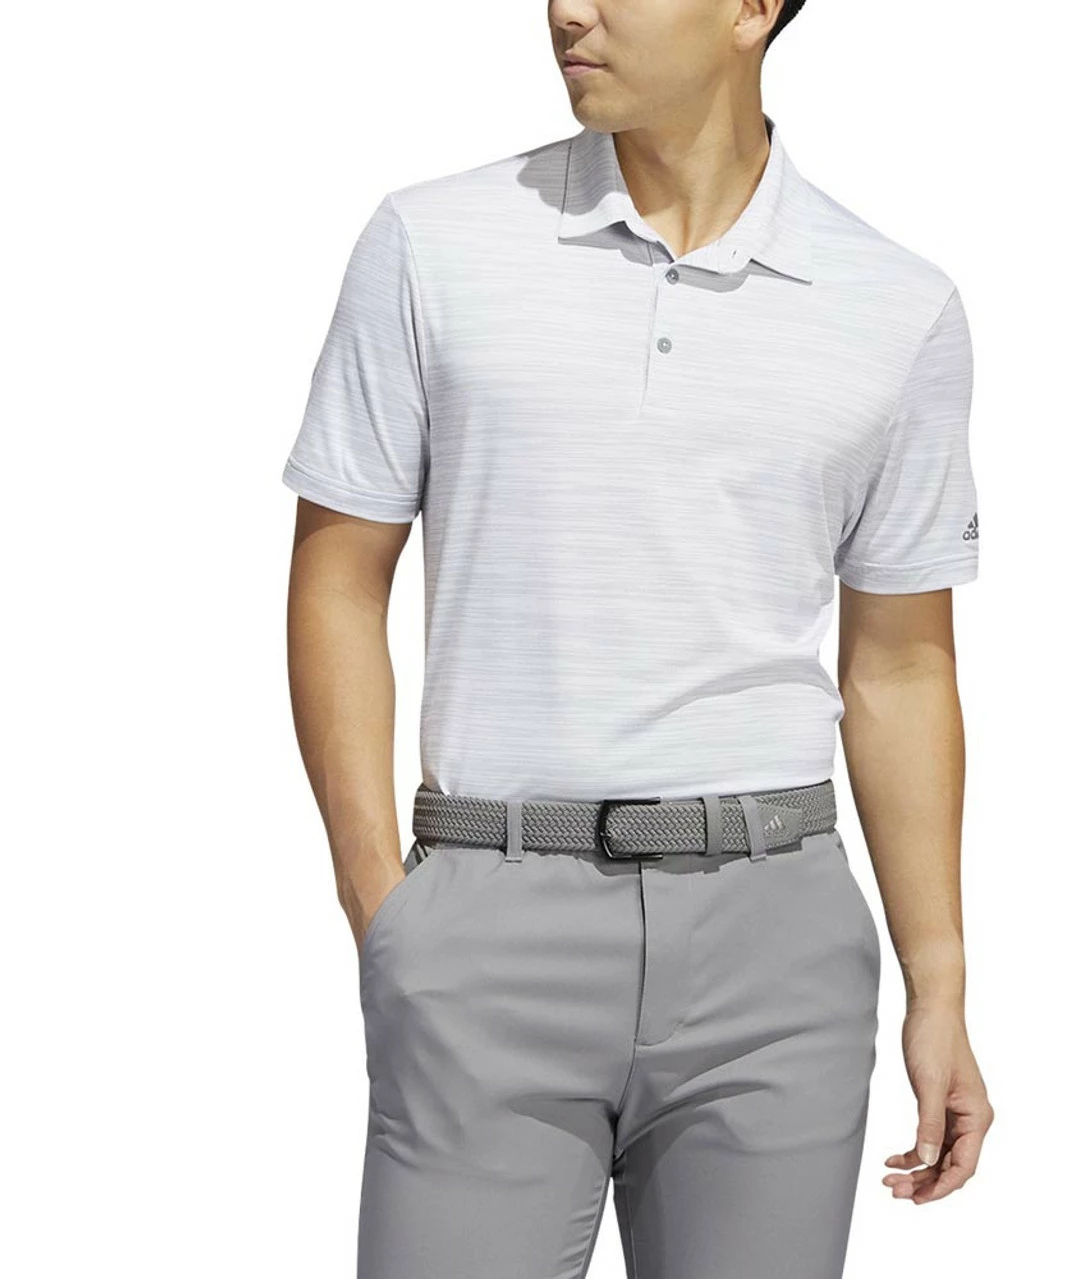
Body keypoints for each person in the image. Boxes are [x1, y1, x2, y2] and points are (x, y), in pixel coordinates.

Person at [282, 1, 994, 1273]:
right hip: (488, 920)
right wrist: (381, 906)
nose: (568, 8)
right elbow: (339, 578)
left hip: (776, 951)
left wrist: (935, 984)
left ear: (750, 9)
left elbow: (898, 664)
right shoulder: (432, 242)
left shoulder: (896, 305)